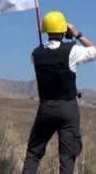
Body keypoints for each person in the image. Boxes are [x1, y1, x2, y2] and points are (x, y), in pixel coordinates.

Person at [22, 11, 96, 174]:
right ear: (64, 31)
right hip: (68, 108)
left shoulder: (35, 54)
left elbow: (45, 53)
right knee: (67, 157)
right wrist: (77, 34)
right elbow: (93, 50)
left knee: (33, 153)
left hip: (46, 108)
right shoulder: (72, 51)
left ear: (46, 31)